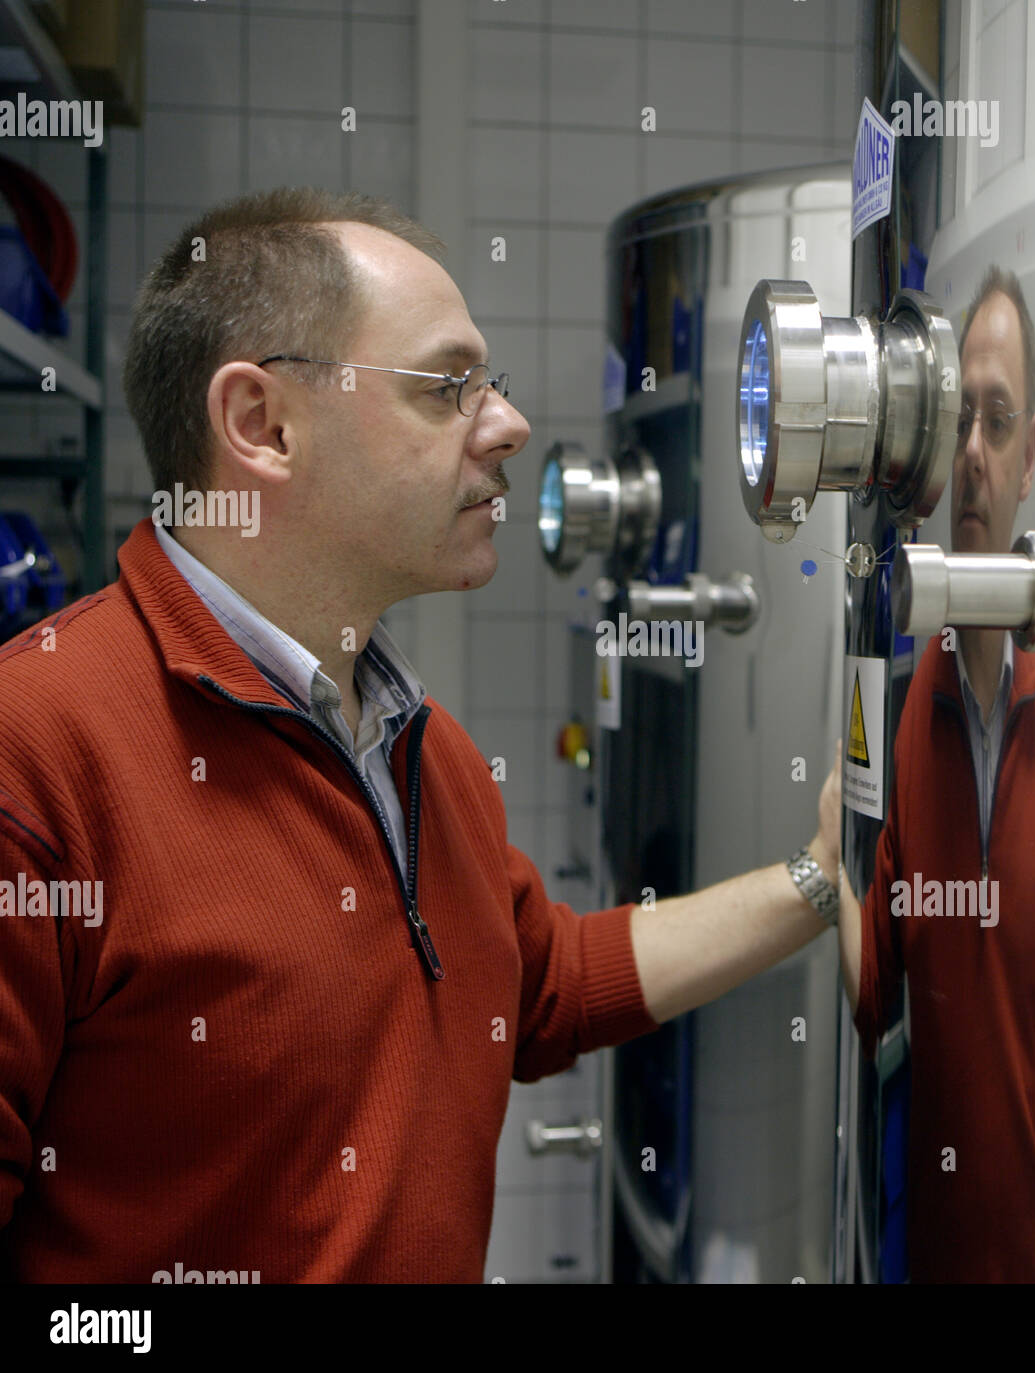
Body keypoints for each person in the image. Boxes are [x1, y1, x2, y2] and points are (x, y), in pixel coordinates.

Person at [0, 187, 842, 1283]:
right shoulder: (41, 751)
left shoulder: (421, 744)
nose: (507, 424)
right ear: (263, 426)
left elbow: (542, 980)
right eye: (449, 386)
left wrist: (822, 878)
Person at [838, 265, 1035, 1282]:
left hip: (1033, 1253)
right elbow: (867, 995)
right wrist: (825, 872)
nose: (977, 454)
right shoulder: (890, 708)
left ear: (1028, 455)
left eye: (998, 422)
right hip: (921, 1247)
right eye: (961, 425)